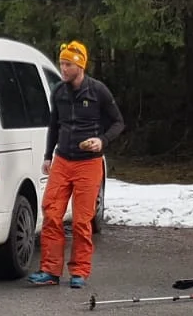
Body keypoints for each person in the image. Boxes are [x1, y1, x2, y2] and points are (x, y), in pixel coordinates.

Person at [30, 40, 124, 289]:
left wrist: (101, 140)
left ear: (80, 66)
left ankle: (79, 271)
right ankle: (50, 270)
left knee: (82, 220)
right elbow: (54, 124)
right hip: (62, 159)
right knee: (51, 213)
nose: (62, 68)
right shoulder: (58, 91)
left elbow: (118, 123)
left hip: (88, 163)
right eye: (61, 63)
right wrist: (47, 156)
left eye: (67, 64)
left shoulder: (98, 91)